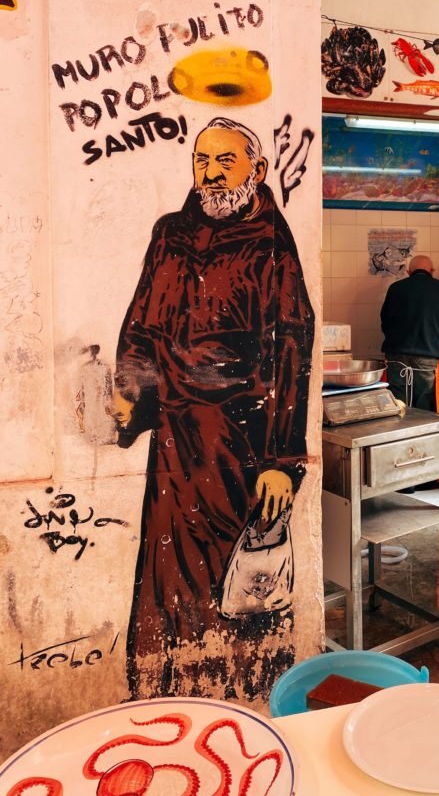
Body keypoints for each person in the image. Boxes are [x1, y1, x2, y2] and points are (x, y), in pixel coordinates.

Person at [113, 115, 314, 700]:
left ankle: (238, 699)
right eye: (203, 160)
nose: (212, 172)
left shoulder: (271, 243)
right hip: (174, 441)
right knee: (166, 574)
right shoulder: (169, 233)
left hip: (241, 443)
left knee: (236, 582)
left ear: (258, 168)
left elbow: (291, 350)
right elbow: (141, 322)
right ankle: (162, 695)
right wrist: (131, 390)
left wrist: (283, 458)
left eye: (226, 160)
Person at [380, 254, 439, 409]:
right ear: (432, 271)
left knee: (398, 406)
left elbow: (385, 323)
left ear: (409, 272)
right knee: (424, 409)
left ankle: (400, 433)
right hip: (428, 359)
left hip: (396, 358)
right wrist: (438, 337)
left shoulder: (395, 288)